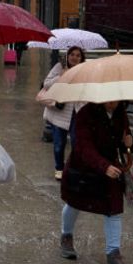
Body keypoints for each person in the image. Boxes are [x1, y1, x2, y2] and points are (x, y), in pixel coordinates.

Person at [59, 100, 133, 264]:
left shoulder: (120, 113)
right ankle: (66, 235)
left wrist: (128, 143)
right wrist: (103, 166)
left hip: (110, 170)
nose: (113, 104)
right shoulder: (86, 113)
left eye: (116, 99)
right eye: (110, 100)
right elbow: (83, 146)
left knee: (114, 209)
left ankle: (113, 255)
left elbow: (123, 141)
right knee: (74, 204)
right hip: (83, 168)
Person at [42, 46, 86, 180]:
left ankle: (74, 168)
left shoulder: (84, 71)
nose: (74, 57)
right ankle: (59, 168)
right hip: (60, 112)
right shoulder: (59, 67)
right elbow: (46, 84)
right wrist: (61, 76)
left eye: (78, 55)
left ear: (81, 58)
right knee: (59, 145)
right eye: (72, 54)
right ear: (67, 56)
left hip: (77, 112)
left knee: (76, 143)